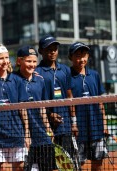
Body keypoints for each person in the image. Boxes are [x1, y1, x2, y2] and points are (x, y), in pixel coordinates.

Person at [0, 43, 30, 171]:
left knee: (20, 166)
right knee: (1, 168)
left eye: (6, 57)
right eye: (0, 58)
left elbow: (23, 108)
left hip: (17, 132)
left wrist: (27, 133)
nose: (5, 61)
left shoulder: (17, 80)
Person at [35, 35, 78, 167]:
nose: (52, 51)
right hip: (46, 128)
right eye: (48, 49)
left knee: (66, 165)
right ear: (40, 51)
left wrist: (73, 122)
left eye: (55, 48)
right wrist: (49, 114)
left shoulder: (65, 69)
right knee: (48, 165)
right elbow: (36, 101)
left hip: (64, 128)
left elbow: (69, 96)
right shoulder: (36, 71)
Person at [15, 46, 57, 171]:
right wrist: (26, 133)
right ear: (19, 61)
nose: (32, 65)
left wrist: (48, 128)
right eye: (28, 61)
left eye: (34, 62)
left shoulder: (40, 80)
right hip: (22, 133)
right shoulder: (13, 79)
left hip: (42, 134)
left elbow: (42, 107)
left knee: (47, 167)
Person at [68, 42, 108, 171]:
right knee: (77, 165)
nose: (82, 59)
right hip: (78, 130)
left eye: (84, 55)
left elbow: (100, 101)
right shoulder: (67, 75)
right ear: (71, 57)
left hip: (96, 128)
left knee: (98, 163)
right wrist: (73, 124)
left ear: (88, 56)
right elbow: (69, 102)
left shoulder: (95, 75)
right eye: (78, 55)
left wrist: (104, 123)